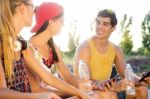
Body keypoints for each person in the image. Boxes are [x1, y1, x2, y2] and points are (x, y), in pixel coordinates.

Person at [75, 9, 150, 99]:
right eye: (98, 22)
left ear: (113, 28)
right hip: (88, 90)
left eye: (105, 24)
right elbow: (85, 82)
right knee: (109, 95)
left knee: (142, 89)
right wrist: (111, 86)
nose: (100, 27)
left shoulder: (115, 49)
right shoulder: (85, 47)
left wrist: (142, 80)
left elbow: (126, 73)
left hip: (106, 88)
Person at [25, 2, 92, 99]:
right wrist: (75, 91)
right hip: (46, 96)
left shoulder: (53, 47)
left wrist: (90, 84)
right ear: (51, 22)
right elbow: (36, 90)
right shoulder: (28, 49)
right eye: (61, 21)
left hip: (60, 94)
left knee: (99, 93)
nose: (63, 25)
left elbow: (68, 77)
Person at [0, 0, 61, 99]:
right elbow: (1, 92)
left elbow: (46, 78)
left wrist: (77, 91)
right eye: (33, 7)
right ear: (22, 8)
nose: (34, 12)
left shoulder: (22, 44)